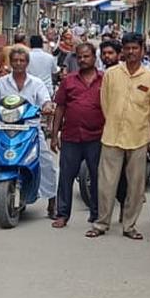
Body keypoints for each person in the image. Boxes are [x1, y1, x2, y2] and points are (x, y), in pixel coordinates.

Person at [0, 47, 58, 218]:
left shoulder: (36, 83)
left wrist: (46, 106)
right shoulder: (1, 83)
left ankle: (52, 203)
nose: (18, 64)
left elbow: (45, 100)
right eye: (15, 60)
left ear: (27, 63)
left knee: (46, 162)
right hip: (3, 128)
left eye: (22, 60)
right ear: (11, 62)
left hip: (30, 128)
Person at [86, 33, 150, 241]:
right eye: (127, 48)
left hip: (138, 137)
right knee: (105, 184)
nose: (131, 52)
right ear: (123, 50)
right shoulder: (111, 74)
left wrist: (142, 128)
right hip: (112, 136)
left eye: (135, 48)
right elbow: (105, 103)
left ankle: (129, 225)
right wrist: (114, 122)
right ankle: (101, 223)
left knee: (136, 187)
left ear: (142, 50)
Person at [50, 42, 103, 229]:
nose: (82, 60)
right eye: (79, 56)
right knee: (66, 176)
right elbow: (60, 108)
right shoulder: (68, 81)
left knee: (97, 177)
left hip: (96, 137)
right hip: (71, 136)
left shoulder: (104, 80)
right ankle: (62, 215)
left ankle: (97, 215)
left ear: (94, 58)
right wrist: (54, 134)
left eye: (86, 56)